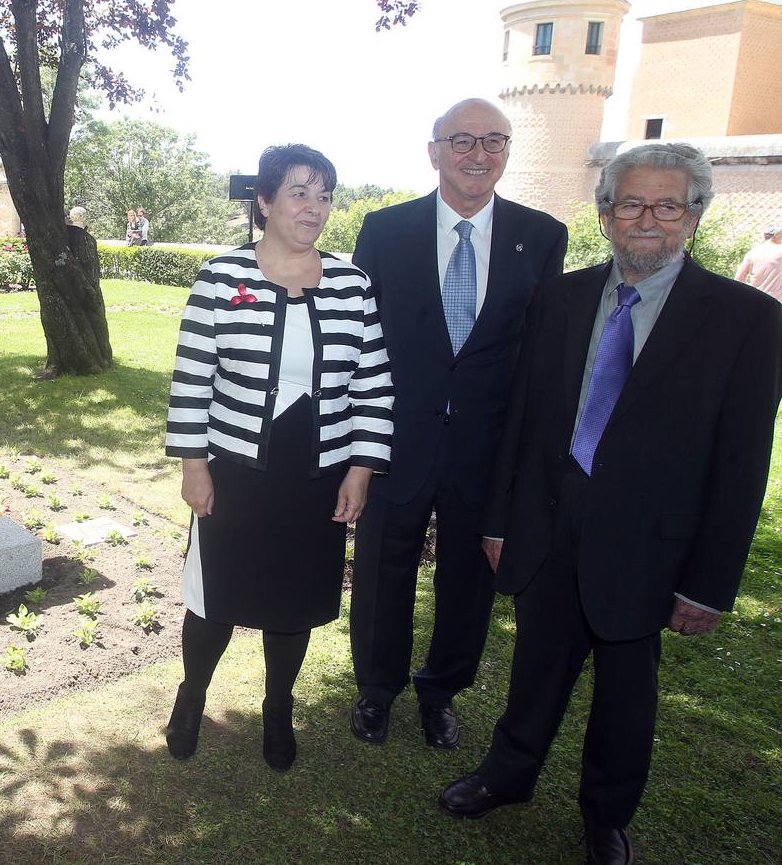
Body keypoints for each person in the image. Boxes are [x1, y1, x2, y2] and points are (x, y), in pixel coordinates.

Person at [439, 143, 782, 865]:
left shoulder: (747, 321)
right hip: (548, 530)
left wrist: (708, 584)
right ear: (605, 215)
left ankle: (605, 816)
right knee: (536, 667)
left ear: (694, 216)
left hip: (652, 549)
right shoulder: (559, 298)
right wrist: (500, 519)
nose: (647, 219)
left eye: (667, 204)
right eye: (631, 203)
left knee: (627, 697)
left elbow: (741, 466)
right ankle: (507, 776)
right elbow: (524, 420)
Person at [164, 144, 393, 772]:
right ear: (263, 202)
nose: (313, 208)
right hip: (236, 464)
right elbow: (192, 377)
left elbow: (373, 383)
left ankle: (278, 707)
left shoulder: (353, 282)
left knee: (294, 599)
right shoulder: (220, 278)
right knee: (215, 595)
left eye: (323, 195)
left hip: (318, 468)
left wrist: (362, 467)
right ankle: (192, 697)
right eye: (299, 192)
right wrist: (193, 465)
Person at [347, 98, 567, 751]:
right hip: (396, 442)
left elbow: (537, 352)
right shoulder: (385, 231)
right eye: (463, 140)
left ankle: (441, 690)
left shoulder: (542, 235)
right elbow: (360, 344)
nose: (479, 153)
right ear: (434, 151)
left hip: (488, 449)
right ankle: (377, 690)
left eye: (494, 140)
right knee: (384, 572)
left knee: (470, 581)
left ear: (507, 151)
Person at [733, 223, 782, 301]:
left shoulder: (752, 252)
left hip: (755, 299)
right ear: (778, 235)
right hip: (776, 303)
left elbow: (739, 278)